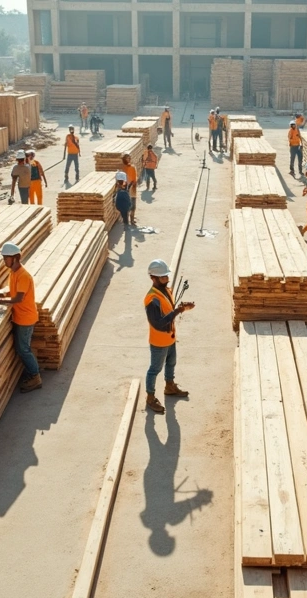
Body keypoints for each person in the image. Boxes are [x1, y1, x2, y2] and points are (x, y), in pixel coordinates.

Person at [144, 258, 194, 414]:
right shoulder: (152, 300)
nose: (167, 279)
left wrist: (181, 307)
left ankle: (169, 386)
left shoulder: (167, 290)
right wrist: (178, 311)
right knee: (155, 369)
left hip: (170, 338)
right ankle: (150, 397)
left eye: (167, 276)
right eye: (163, 277)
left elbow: (169, 309)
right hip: (159, 342)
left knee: (171, 363)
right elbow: (158, 324)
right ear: (153, 278)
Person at [0, 243, 43, 393]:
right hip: (20, 316)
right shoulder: (13, 273)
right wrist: (3, 294)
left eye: (5, 258)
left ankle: (35, 377)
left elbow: (19, 298)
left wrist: (1, 301)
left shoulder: (23, 276)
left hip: (26, 318)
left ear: (14, 258)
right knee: (21, 348)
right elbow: (14, 292)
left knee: (24, 350)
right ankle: (31, 373)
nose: (4, 261)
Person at [121, 154, 139, 220]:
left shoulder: (132, 167)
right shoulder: (123, 168)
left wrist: (133, 183)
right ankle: (127, 220)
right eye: (126, 159)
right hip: (125, 189)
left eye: (129, 158)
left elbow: (135, 177)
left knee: (133, 205)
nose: (128, 160)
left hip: (132, 188)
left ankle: (132, 218)